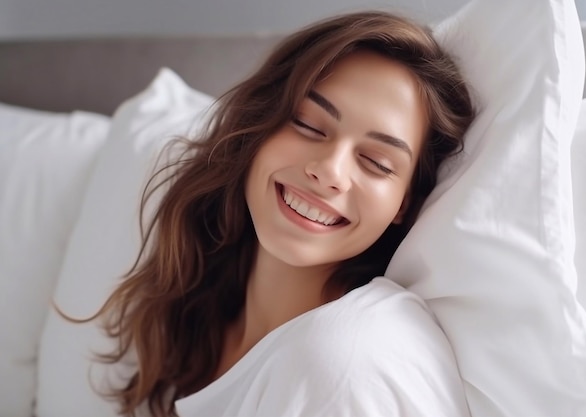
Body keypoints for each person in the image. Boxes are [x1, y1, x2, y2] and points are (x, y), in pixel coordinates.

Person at [85, 10, 474, 417]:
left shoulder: (344, 364)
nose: (329, 171)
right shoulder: (197, 313)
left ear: (404, 204)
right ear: (259, 127)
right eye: (308, 125)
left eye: (376, 162)